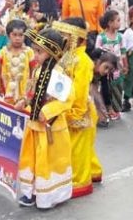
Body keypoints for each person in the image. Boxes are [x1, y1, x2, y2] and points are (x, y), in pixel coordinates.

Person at [15, 28, 72, 209]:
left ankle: (49, 196)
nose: (35, 55)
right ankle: (30, 192)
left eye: (39, 51)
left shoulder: (59, 74)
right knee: (31, 159)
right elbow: (31, 91)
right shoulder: (38, 69)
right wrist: (24, 101)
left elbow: (66, 100)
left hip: (51, 127)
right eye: (35, 50)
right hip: (34, 125)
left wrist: (47, 111)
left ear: (52, 52)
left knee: (47, 162)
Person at [53, 18, 102, 198]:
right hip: (68, 106)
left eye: (64, 35)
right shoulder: (68, 56)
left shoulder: (83, 61)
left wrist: (74, 114)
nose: (61, 39)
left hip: (80, 111)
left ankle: (79, 183)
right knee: (82, 147)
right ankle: (94, 171)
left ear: (76, 38)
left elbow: (80, 92)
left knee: (77, 149)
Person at [0, 20, 36, 105]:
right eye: (14, 35)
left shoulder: (29, 52)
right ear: (8, 35)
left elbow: (34, 71)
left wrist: (31, 89)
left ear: (25, 36)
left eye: (21, 35)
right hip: (8, 88)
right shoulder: (3, 52)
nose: (17, 38)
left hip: (24, 90)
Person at [96, 10, 127, 119]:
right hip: (106, 67)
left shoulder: (120, 37)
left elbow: (123, 52)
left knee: (118, 87)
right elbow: (98, 53)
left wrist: (125, 65)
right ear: (110, 23)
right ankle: (107, 109)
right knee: (106, 88)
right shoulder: (101, 37)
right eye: (118, 20)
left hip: (117, 66)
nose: (120, 22)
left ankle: (117, 109)